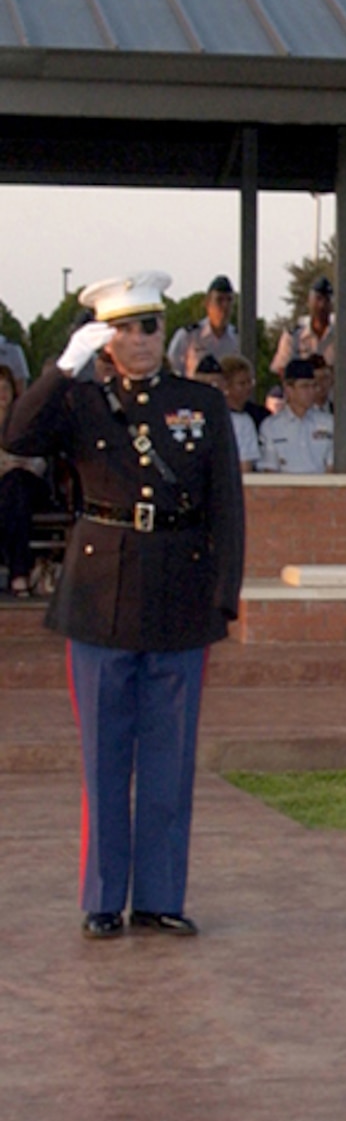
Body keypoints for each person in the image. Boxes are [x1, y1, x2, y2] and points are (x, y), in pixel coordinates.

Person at [1, 271, 244, 939]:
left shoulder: (200, 401)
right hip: (101, 590)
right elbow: (18, 437)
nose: (144, 337)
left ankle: (161, 895)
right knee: (105, 757)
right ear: (107, 340)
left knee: (170, 756)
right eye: (130, 328)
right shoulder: (79, 400)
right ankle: (104, 899)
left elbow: (226, 501)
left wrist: (224, 594)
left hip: (179, 590)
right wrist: (60, 368)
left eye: (153, 324)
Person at [0, 366, 52, 596]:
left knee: (16, 484)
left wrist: (15, 464)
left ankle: (19, 570)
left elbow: (41, 459)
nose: (1, 394)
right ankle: (18, 573)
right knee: (11, 491)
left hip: (29, 485)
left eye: (4, 389)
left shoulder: (27, 420)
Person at [258, 357, 335, 474]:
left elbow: (332, 468)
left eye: (313, 386)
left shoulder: (328, 423)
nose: (311, 392)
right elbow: (270, 471)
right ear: (288, 389)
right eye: (304, 386)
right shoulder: (271, 427)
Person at [168, 276, 238, 376]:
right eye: (219, 300)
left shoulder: (237, 338)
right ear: (207, 303)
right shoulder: (188, 336)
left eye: (229, 300)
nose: (225, 306)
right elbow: (173, 372)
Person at [271, 275, 336, 374]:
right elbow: (281, 368)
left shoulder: (344, 336)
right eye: (318, 299)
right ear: (309, 302)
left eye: (327, 300)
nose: (322, 305)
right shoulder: (293, 336)